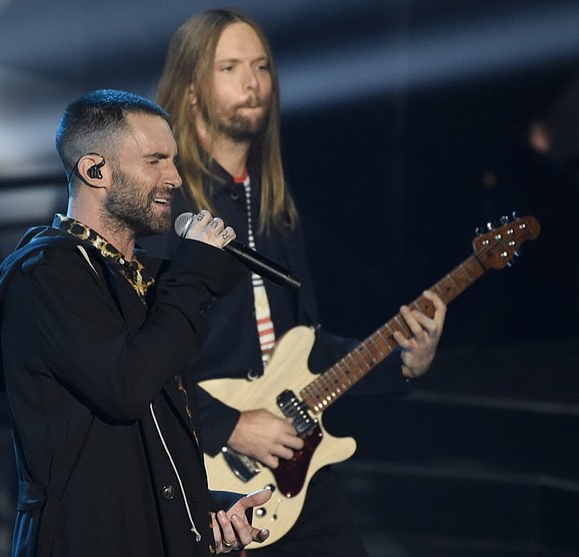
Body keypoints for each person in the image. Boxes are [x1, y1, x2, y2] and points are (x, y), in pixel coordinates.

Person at [140, 9, 447, 556]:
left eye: (260, 66)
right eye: (229, 67)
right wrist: (227, 425)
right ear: (190, 91)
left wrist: (403, 361)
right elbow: (133, 353)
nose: (252, 82)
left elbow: (310, 344)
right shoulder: (165, 203)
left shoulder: (275, 204)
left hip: (288, 459)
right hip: (202, 465)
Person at [0, 89, 273, 556]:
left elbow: (145, 443)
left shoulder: (143, 279)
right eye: (155, 160)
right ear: (95, 170)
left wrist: (201, 512)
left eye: (172, 160)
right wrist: (191, 280)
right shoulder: (46, 275)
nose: (174, 178)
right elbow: (125, 386)